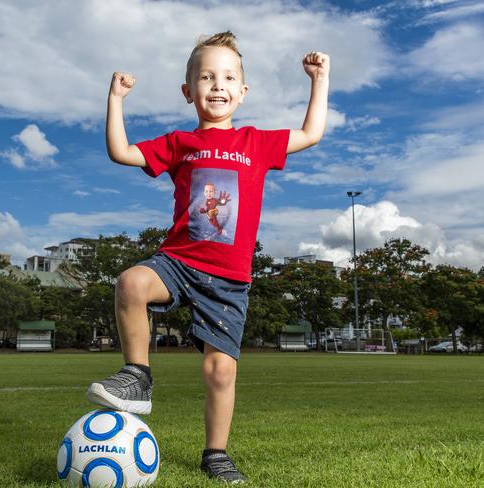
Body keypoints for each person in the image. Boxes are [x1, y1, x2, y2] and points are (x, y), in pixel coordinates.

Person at [87, 31, 329, 484]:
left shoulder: (256, 142)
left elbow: (312, 133)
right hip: (178, 262)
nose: (217, 85)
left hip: (229, 279)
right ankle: (137, 375)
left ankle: (215, 454)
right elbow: (120, 152)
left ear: (242, 91)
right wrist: (115, 98)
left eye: (228, 77)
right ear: (188, 92)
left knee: (219, 371)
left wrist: (320, 79)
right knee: (130, 283)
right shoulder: (180, 142)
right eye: (206, 77)